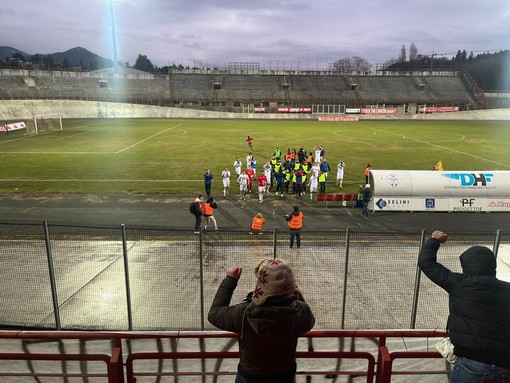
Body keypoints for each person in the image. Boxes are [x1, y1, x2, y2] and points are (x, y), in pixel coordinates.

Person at [418, 230, 510, 382]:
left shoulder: (458, 283)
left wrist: (434, 240)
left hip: (472, 363)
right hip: (505, 366)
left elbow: (426, 263)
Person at [208, 259, 315, 383]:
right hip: (284, 374)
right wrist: (291, 288)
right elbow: (309, 321)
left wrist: (230, 280)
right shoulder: (300, 311)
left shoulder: (243, 313)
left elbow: (214, 314)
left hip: (250, 376)